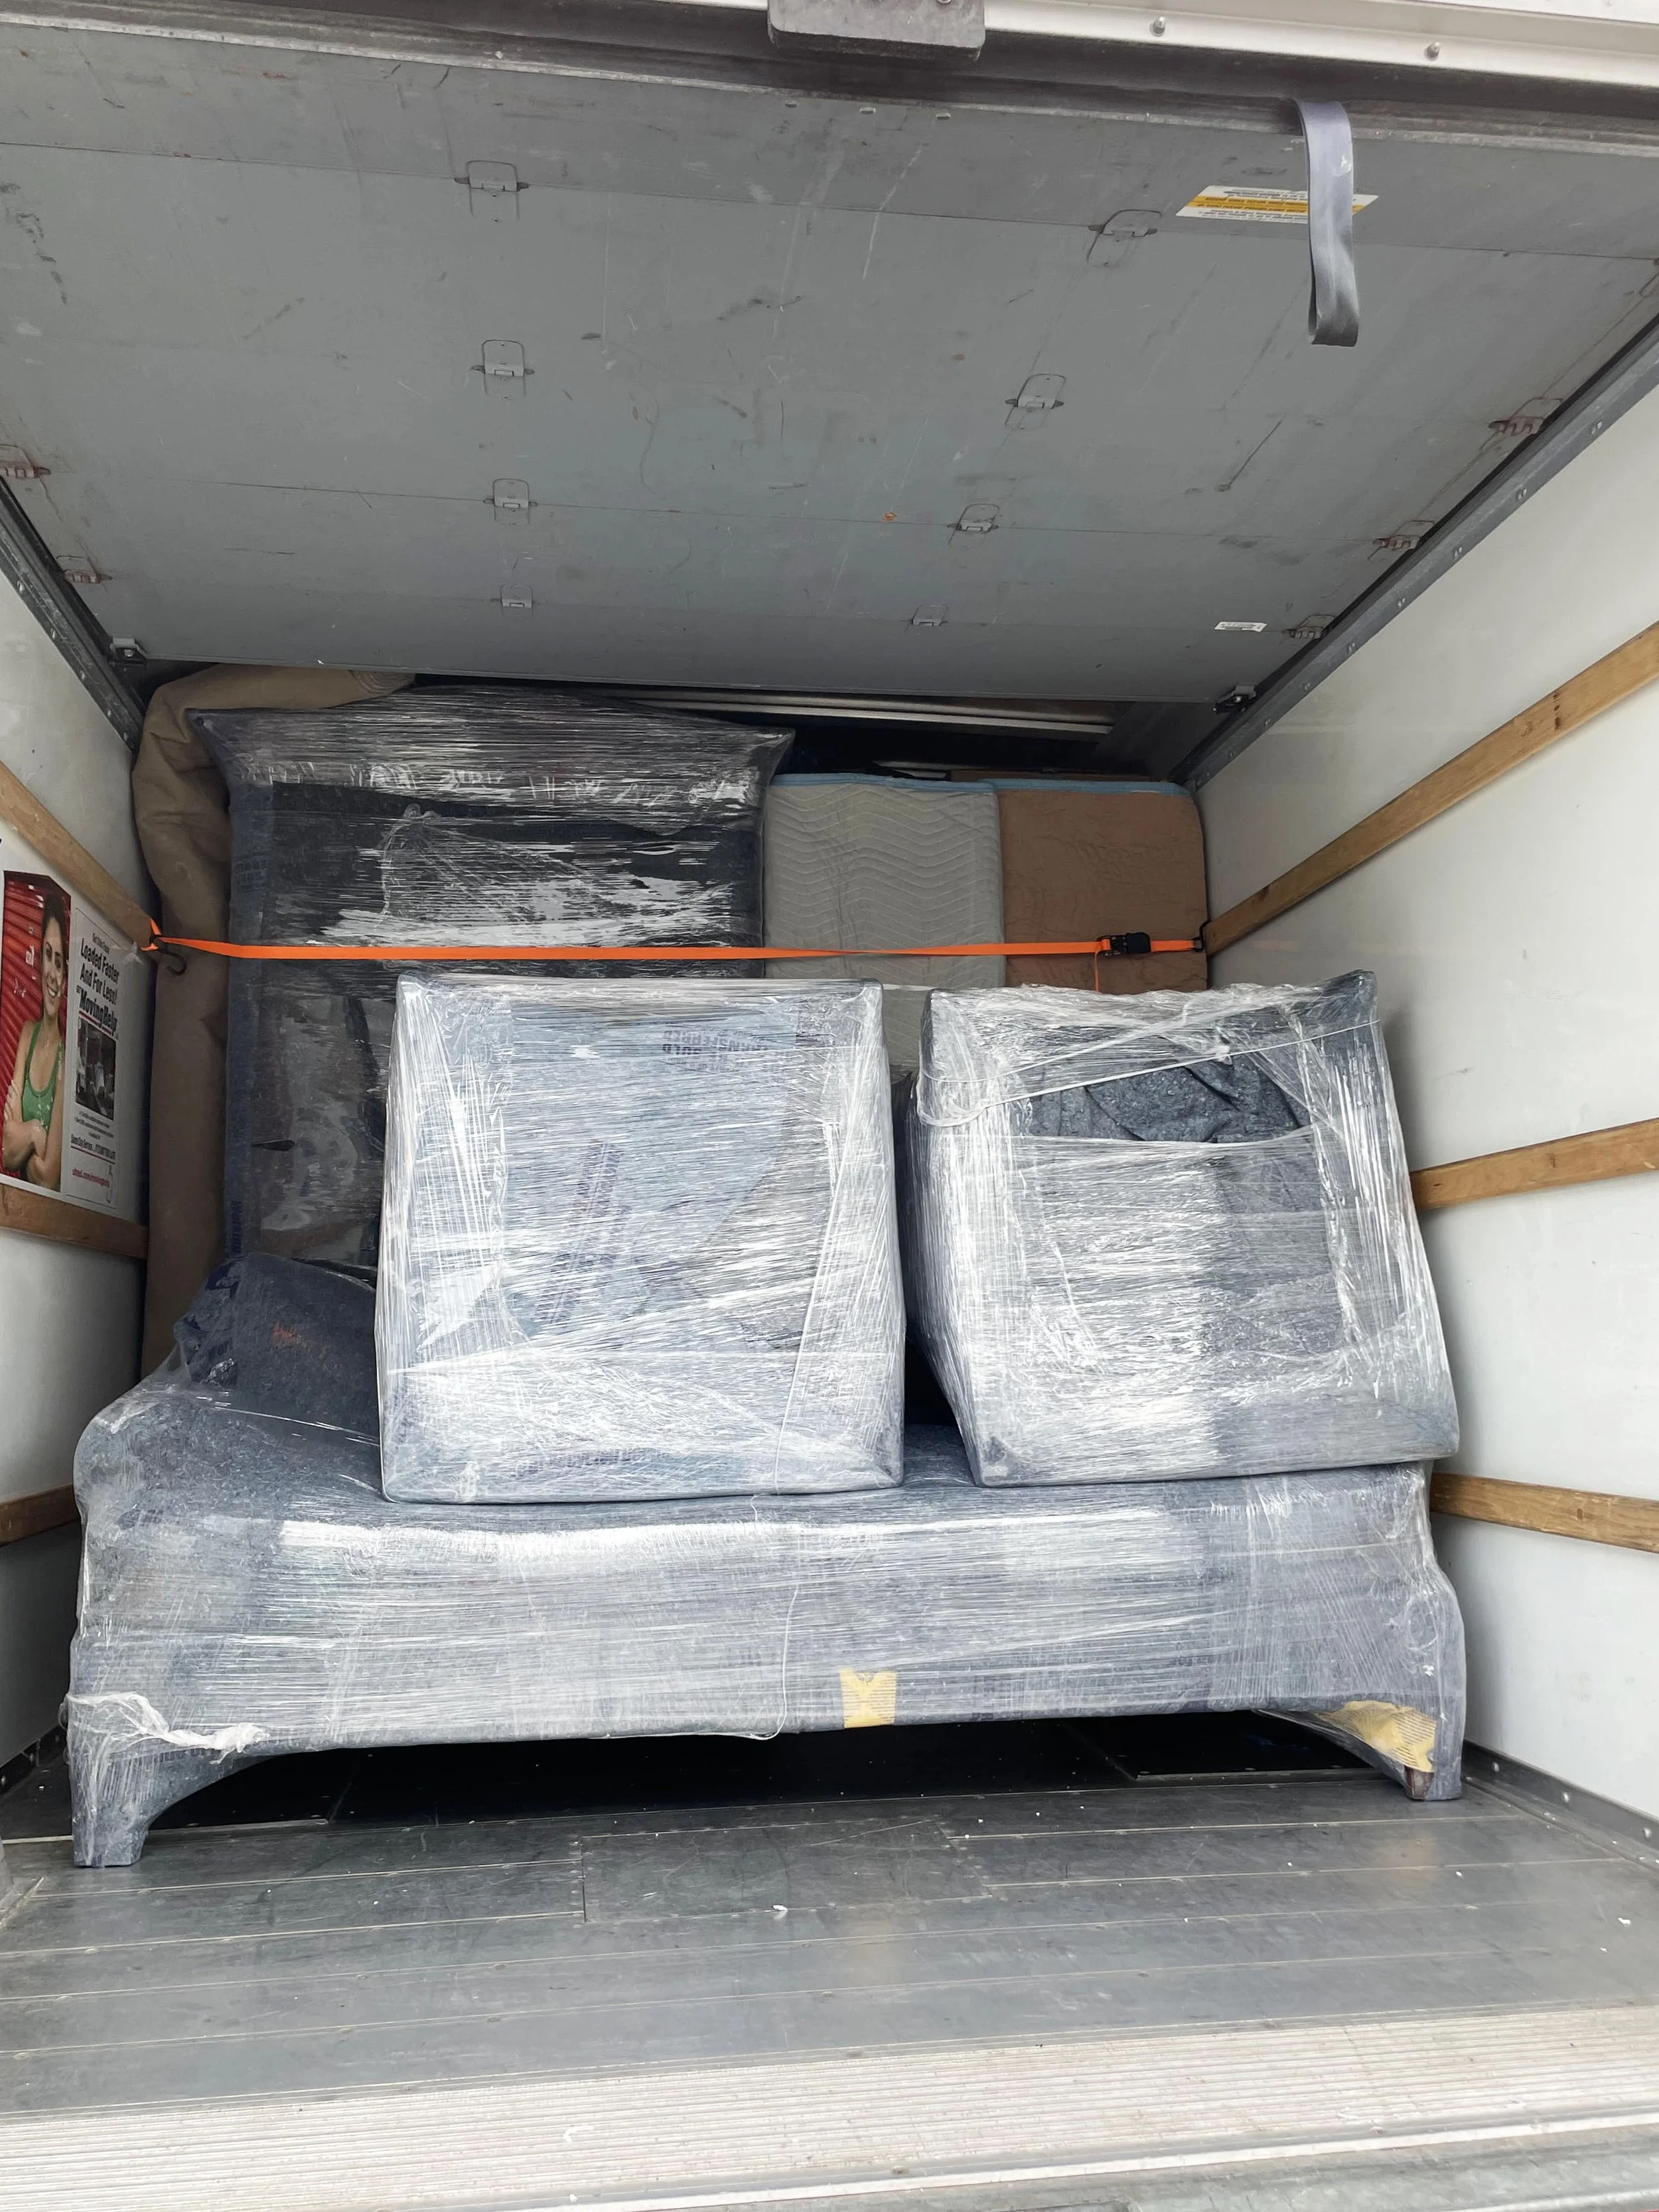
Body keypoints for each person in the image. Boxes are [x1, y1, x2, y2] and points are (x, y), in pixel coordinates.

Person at [4, 887, 68, 1190]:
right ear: (39, 961)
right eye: (48, 955)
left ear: (66, 976)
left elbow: (49, 1176)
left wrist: (21, 1136)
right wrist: (35, 1134)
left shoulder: (67, 1057)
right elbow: (6, 1152)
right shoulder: (27, 1033)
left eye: (60, 962)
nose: (53, 973)